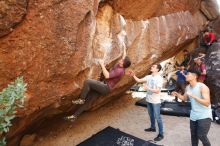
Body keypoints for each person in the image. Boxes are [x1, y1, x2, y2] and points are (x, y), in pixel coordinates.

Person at [66, 46, 131, 121]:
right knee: (87, 102)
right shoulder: (122, 65)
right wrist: (124, 47)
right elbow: (124, 56)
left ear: (123, 65)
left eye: (122, 60)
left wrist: (102, 64)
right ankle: (74, 116)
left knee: (87, 82)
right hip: (103, 86)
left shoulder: (120, 71)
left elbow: (107, 76)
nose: (121, 60)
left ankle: (81, 99)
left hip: (105, 87)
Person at [171, 69, 212, 146]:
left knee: (201, 135)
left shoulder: (202, 87)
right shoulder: (188, 87)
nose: (186, 76)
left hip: (204, 115)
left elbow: (207, 103)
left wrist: (194, 97)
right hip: (193, 115)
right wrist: (177, 94)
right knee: (193, 135)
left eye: (188, 74)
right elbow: (184, 98)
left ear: (194, 76)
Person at [129, 64, 164, 141]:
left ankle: (161, 134)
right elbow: (138, 80)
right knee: (151, 115)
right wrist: (133, 75)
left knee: (158, 118)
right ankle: (152, 127)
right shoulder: (149, 77)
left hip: (155, 102)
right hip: (148, 100)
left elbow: (158, 91)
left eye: (153, 67)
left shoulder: (159, 78)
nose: (151, 67)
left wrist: (148, 88)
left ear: (157, 69)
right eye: (151, 66)